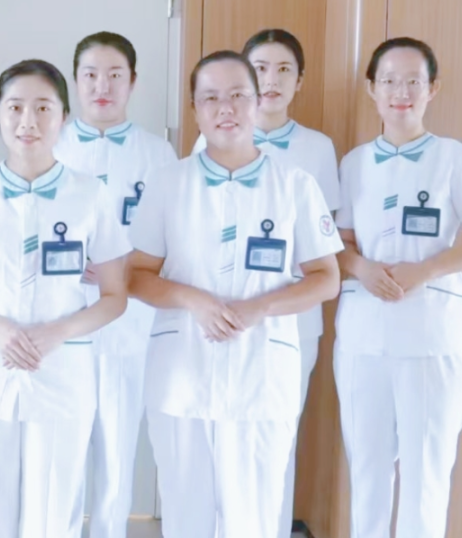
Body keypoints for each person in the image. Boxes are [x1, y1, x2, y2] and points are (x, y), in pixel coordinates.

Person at [129, 50, 342, 538]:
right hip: (182, 374)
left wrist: (259, 307)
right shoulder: (168, 183)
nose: (225, 108)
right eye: (211, 98)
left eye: (238, 95)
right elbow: (137, 275)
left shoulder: (294, 185)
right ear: (194, 109)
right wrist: (194, 300)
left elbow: (325, 278)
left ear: (257, 101)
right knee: (186, 518)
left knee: (254, 520)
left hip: (261, 375)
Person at [0, 59, 130, 538]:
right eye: (15, 107)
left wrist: (57, 332)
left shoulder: (90, 194)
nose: (28, 120)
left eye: (43, 107)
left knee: (53, 516)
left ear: (63, 117)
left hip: (61, 369)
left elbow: (115, 295)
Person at [333, 38, 462, 538]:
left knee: (426, 475)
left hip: (430, 339)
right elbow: (337, 243)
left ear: (433, 89)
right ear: (372, 89)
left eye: (413, 81)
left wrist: (424, 270)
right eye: (388, 80)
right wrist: (362, 268)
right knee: (367, 470)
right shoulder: (354, 163)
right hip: (363, 339)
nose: (400, 92)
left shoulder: (454, 158)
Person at [193, 29, 339, 538]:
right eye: (260, 69)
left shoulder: (317, 148)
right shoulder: (208, 141)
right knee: (216, 437)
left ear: (300, 80)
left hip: (290, 319)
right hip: (221, 313)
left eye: (283, 69)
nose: (271, 80)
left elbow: (323, 244)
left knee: (276, 440)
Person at [53, 31, 176, 538]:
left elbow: (170, 238)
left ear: (133, 82)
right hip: (62, 320)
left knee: (117, 455)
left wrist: (120, 266)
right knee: (60, 457)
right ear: (75, 81)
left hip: (130, 325)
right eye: (90, 75)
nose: (102, 86)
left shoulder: (158, 154)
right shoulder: (52, 146)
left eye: (114, 75)